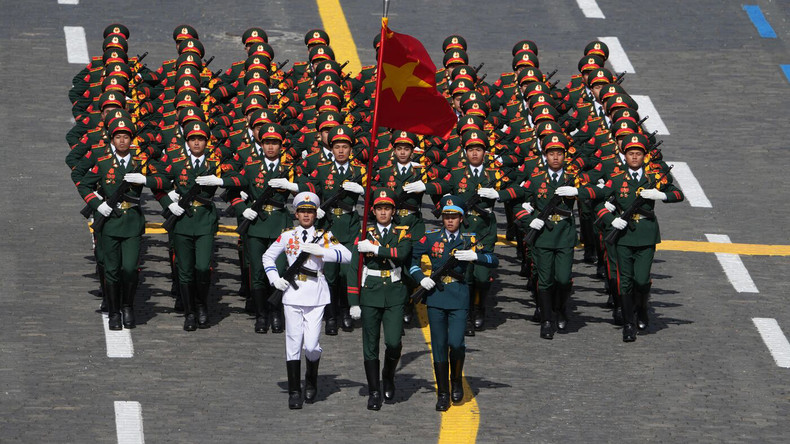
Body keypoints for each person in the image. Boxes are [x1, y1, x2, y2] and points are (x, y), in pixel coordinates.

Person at [147, 121, 241, 331]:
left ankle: (201, 305)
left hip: (205, 220)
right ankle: (190, 312)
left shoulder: (215, 161)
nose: (197, 142)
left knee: (202, 267)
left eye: (200, 139)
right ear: (187, 141)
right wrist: (168, 204)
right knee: (185, 269)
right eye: (192, 139)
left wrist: (219, 181)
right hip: (182, 220)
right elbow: (157, 181)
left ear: (206, 142)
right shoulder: (176, 160)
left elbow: (239, 177)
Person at [262, 192, 351, 409]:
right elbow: (267, 257)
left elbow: (347, 256)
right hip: (292, 294)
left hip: (315, 294)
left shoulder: (323, 236)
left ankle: (311, 378)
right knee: (293, 343)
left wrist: (322, 252)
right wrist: (275, 279)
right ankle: (294, 391)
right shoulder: (287, 235)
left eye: (310, 211)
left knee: (311, 346)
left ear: (315, 214)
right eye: (302, 211)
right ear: (296, 213)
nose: (306, 215)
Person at [409, 195, 498, 411]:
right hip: (436, 296)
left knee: (457, 343)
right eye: (446, 216)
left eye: (454, 216)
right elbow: (411, 261)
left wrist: (475, 257)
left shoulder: (470, 239)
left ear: (461, 218)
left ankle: (456, 379)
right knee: (439, 346)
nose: (450, 220)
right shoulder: (431, 237)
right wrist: (422, 278)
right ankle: (442, 392)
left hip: (459, 296)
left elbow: (493, 259)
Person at [595, 134, 684, 342]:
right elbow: (599, 205)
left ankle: (642, 308)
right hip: (623, 235)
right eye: (631, 154)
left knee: (641, 280)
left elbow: (678, 194)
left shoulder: (654, 178)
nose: (634, 157)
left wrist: (660, 195)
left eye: (638, 154)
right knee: (624, 281)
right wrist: (611, 219)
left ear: (644, 156)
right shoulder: (616, 179)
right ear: (624, 155)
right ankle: (628, 323)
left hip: (645, 234)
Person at [77, 118, 149, 330]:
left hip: (132, 222)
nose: (122, 141)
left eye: (126, 137)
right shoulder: (104, 161)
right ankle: (115, 311)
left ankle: (128, 305)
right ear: (112, 140)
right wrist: (98, 204)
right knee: (111, 270)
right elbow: (83, 184)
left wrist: (146, 179)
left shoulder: (139, 162)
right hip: (109, 221)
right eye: (118, 137)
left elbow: (162, 179)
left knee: (129, 268)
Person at [347, 189, 412, 410]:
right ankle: (374, 390)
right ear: (373, 211)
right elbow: (355, 266)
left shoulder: (402, 232)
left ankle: (388, 374)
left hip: (394, 292)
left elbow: (402, 254)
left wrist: (375, 248)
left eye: (387, 208)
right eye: (379, 208)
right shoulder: (364, 231)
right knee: (370, 345)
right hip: (370, 292)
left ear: (393, 212)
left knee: (393, 343)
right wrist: (353, 300)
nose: (383, 212)